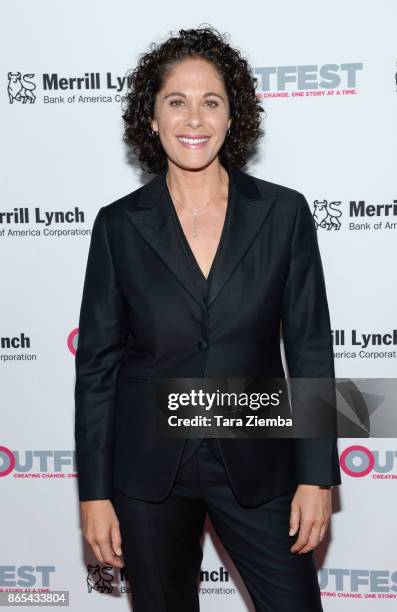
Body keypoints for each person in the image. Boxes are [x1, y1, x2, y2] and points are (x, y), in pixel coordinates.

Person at [75, 25, 341, 612]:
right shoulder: (118, 225)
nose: (193, 118)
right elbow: (97, 367)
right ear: (151, 117)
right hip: (147, 473)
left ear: (231, 116)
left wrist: (317, 476)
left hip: (258, 459)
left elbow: (310, 348)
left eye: (211, 102)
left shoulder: (284, 213)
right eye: (177, 101)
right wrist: (93, 494)